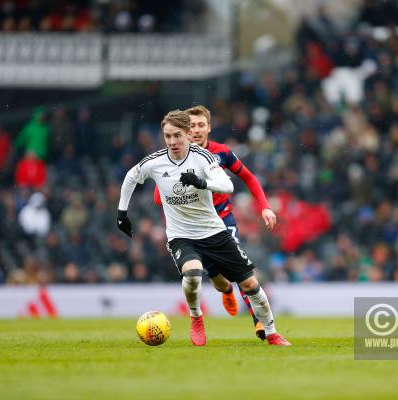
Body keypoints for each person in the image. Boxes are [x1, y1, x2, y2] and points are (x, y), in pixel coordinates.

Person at [117, 110, 291, 346]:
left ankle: (270, 332)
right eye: (167, 136)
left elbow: (228, 184)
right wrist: (122, 213)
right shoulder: (154, 161)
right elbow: (131, 177)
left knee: (248, 283)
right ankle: (196, 318)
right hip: (181, 235)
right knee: (192, 272)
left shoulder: (207, 156)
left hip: (215, 229)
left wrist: (202, 183)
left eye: (177, 135)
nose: (172, 141)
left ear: (191, 133)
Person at [153, 105, 277, 340]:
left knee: (242, 271)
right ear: (185, 131)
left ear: (209, 127)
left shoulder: (221, 153)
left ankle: (259, 323)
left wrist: (265, 207)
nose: (196, 130)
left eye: (201, 125)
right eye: (191, 127)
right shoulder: (172, 159)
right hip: (192, 227)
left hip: (222, 218)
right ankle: (226, 290)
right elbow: (159, 198)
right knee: (220, 282)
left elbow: (249, 178)